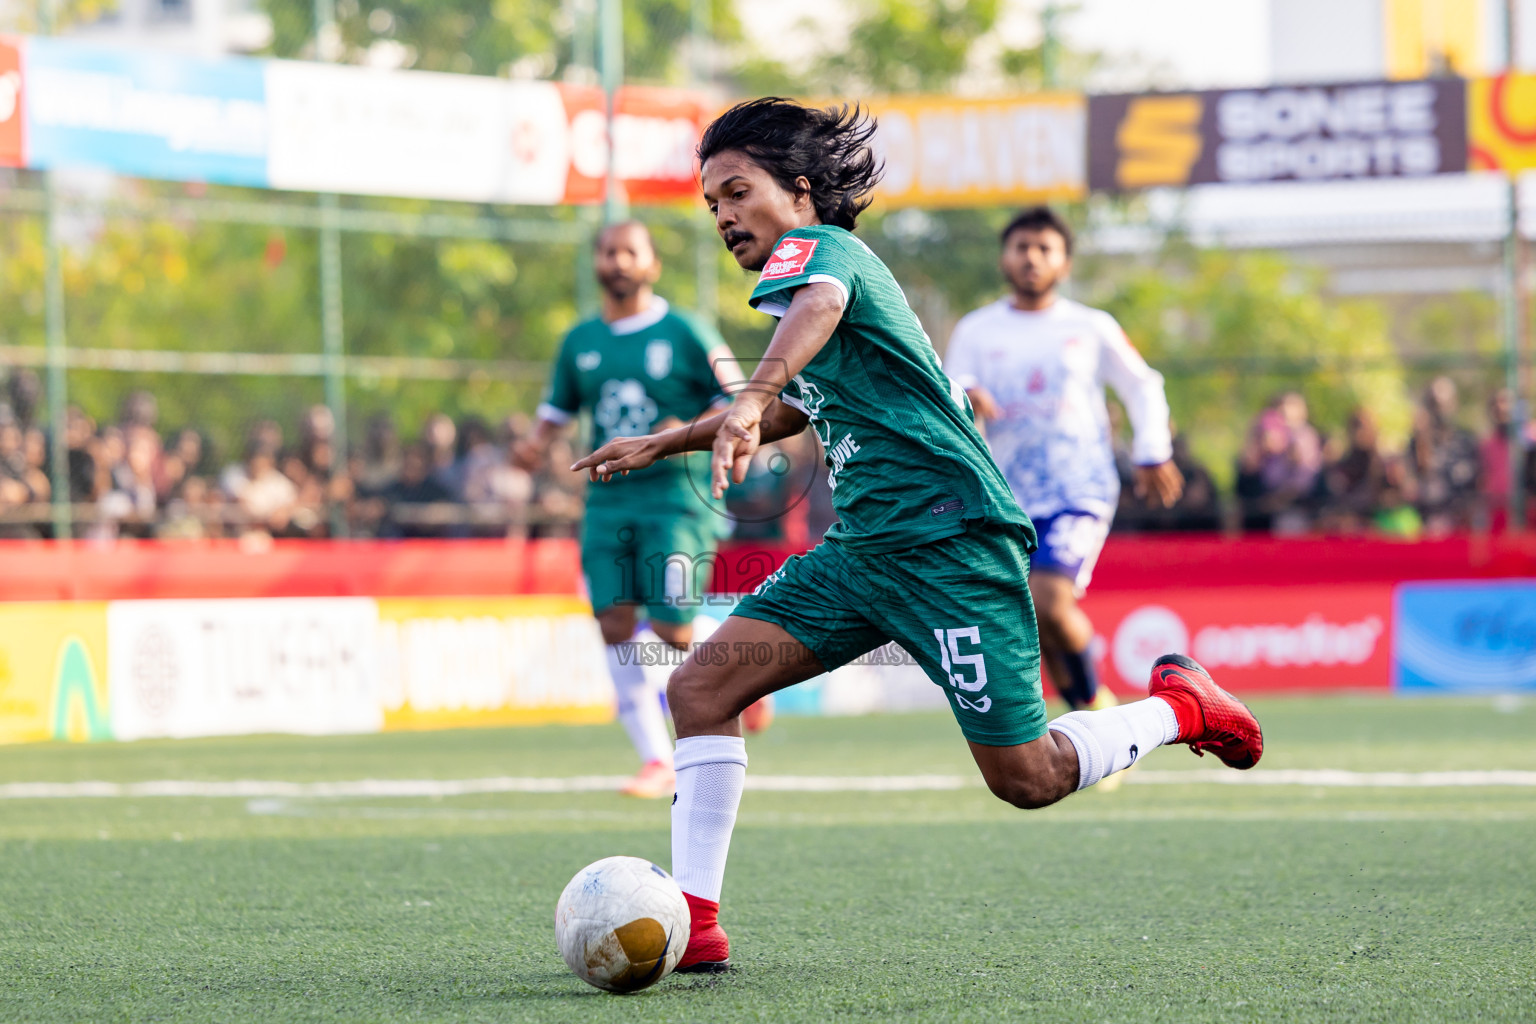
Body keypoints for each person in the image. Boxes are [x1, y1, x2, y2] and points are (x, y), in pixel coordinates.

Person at [571, 98, 1264, 973]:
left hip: (952, 547)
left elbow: (815, 306)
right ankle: (697, 924)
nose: (723, 215)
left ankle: (1178, 708)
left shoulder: (819, 256)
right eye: (712, 203)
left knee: (1028, 777)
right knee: (702, 692)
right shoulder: (812, 288)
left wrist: (744, 401)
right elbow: (801, 398)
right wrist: (675, 436)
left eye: (737, 191)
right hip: (862, 554)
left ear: (801, 188)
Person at [514, 220, 770, 800]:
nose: (617, 261)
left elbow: (739, 398)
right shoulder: (579, 342)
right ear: (597, 264)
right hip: (607, 501)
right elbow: (556, 412)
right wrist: (533, 446)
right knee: (614, 625)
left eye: (629, 252)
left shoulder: (685, 331)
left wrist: (688, 430)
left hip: (675, 500)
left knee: (675, 629)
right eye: (607, 252)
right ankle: (657, 759)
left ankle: (749, 675)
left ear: (652, 264)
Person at [944, 206, 1183, 715]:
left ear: (1064, 263)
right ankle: (1088, 715)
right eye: (1021, 247)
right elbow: (949, 389)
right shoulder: (976, 330)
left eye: (1044, 248)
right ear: (1004, 259)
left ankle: (1098, 711)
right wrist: (966, 392)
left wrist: (1151, 451)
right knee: (1031, 614)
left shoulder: (1091, 326)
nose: (1032, 257)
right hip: (1007, 498)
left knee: (1049, 599)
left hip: (1080, 488)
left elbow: (1143, 387)